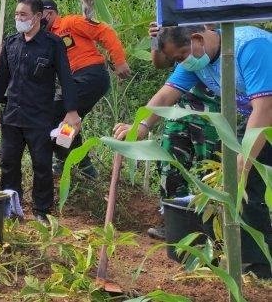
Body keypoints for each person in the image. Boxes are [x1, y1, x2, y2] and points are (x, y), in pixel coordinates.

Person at [113, 24, 272, 279]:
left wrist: (243, 160)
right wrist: (141, 126)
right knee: (249, 192)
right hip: (257, 120)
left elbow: (265, 109)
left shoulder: (250, 47)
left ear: (197, 39)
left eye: (180, 56)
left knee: (247, 176)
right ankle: (260, 267)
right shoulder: (197, 60)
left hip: (265, 117)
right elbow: (167, 95)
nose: (181, 62)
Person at [0, 0, 81, 223]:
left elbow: (66, 79)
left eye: (24, 15)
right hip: (12, 115)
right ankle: (11, 208)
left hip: (40, 116)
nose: (19, 19)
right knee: (9, 163)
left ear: (38, 17)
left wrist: (72, 110)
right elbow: (1, 78)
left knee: (41, 164)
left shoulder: (53, 44)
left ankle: (42, 210)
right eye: (17, 15)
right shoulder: (11, 43)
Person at [41, 0, 131, 178]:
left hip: (91, 76)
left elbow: (104, 31)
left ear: (49, 13)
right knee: (65, 120)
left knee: (52, 112)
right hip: (72, 82)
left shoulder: (70, 22)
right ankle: (84, 165)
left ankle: (64, 159)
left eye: (39, 14)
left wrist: (119, 61)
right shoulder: (45, 38)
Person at [146, 23, 220, 240]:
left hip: (216, 108)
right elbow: (160, 64)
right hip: (183, 102)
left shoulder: (224, 33)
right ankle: (173, 223)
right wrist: (156, 39)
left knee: (211, 168)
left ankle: (213, 231)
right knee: (169, 161)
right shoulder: (173, 18)